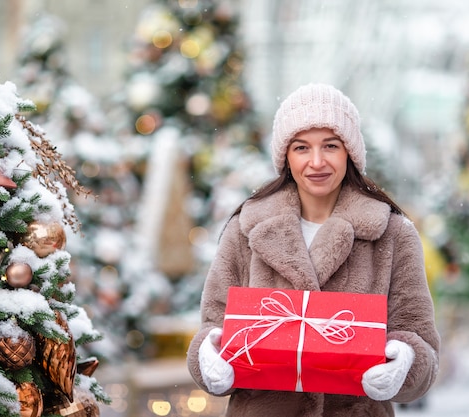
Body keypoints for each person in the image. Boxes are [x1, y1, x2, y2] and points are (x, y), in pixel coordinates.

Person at [186, 83, 440, 417]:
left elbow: (421, 343)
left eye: (330, 146)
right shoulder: (246, 229)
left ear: (349, 152)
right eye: (302, 147)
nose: (316, 162)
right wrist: (208, 358)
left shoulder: (393, 233)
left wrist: (405, 362)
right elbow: (214, 326)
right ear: (286, 156)